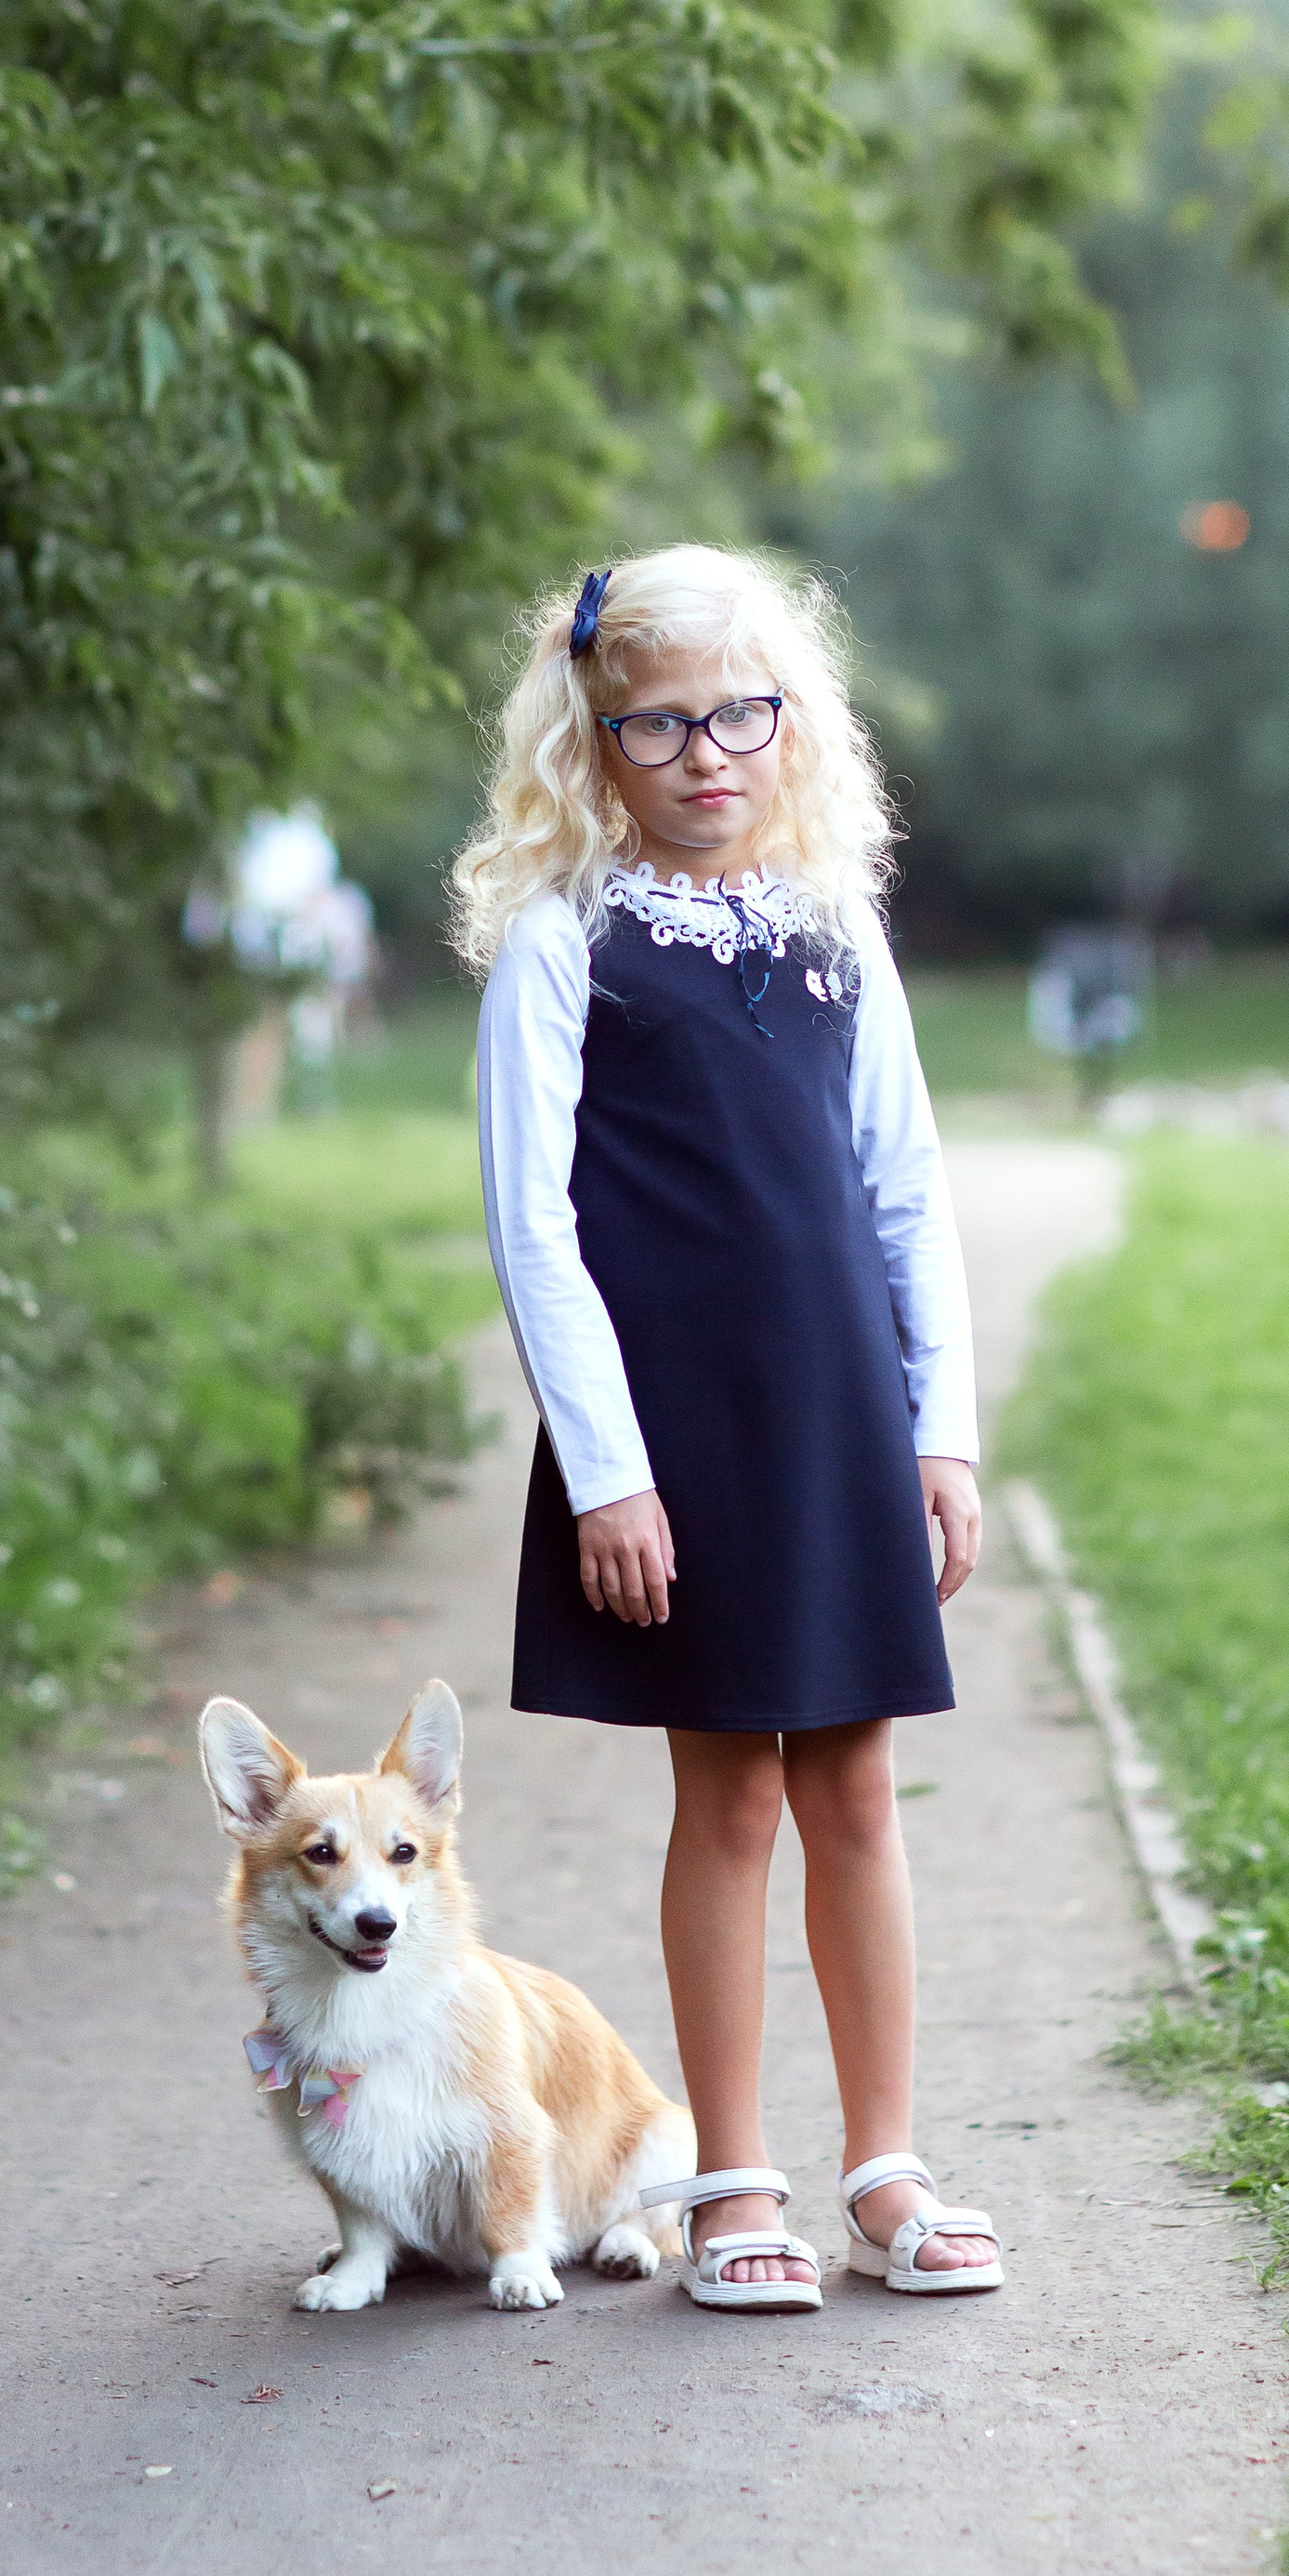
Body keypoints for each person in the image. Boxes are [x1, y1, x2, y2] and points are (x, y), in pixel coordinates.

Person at [452, 544, 1002, 2313]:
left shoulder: (837, 932)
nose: (706, 754)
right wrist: (605, 1471)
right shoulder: (565, 944)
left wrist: (942, 1430)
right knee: (734, 1791)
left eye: (741, 716)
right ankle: (732, 2181)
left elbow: (907, 1191)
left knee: (856, 1783)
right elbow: (534, 1227)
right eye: (661, 724)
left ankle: (886, 2168)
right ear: (595, 744)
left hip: (837, 1412)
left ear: (793, 725)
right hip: (676, 1433)